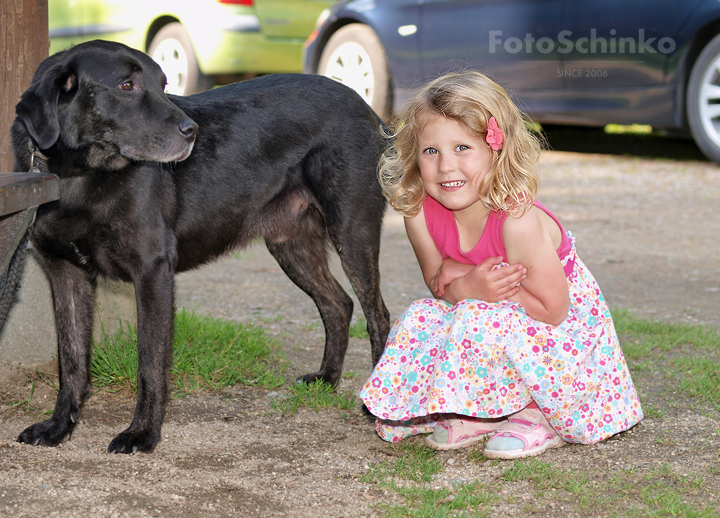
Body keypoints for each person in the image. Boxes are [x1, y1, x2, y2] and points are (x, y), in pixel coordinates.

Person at [359, 71, 643, 459]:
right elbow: (437, 285)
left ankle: (537, 414)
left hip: (565, 342)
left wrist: (477, 289)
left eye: (462, 148)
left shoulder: (516, 220)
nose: (446, 167)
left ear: (496, 148)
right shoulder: (419, 214)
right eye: (431, 151)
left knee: (480, 317)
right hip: (502, 317)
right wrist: (468, 287)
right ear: (413, 154)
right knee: (422, 317)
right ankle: (484, 409)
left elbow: (554, 310)